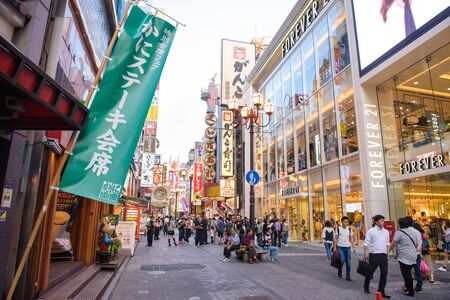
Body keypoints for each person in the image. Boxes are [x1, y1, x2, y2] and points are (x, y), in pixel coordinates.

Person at [363, 214, 391, 298]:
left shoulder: (386, 231)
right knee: (370, 272)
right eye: (381, 220)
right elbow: (366, 243)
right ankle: (366, 286)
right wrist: (366, 253)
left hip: (383, 255)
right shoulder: (371, 231)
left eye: (383, 220)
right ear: (376, 222)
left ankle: (381, 291)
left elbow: (387, 243)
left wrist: (388, 253)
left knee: (384, 273)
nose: (383, 222)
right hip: (374, 255)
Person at [391, 217, 420, 297]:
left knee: (406, 274)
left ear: (400, 224)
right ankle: (410, 288)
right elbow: (417, 244)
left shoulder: (399, 232)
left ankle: (410, 291)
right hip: (413, 255)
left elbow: (393, 243)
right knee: (412, 272)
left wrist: (387, 250)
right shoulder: (414, 231)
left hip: (404, 257)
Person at [333, 216, 355, 281]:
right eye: (345, 222)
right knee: (342, 260)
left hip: (348, 247)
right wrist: (334, 248)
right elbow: (335, 239)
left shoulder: (349, 229)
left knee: (348, 262)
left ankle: (348, 276)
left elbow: (351, 238)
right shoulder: (338, 229)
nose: (346, 223)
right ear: (342, 222)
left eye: (347, 222)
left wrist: (353, 247)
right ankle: (340, 270)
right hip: (340, 247)